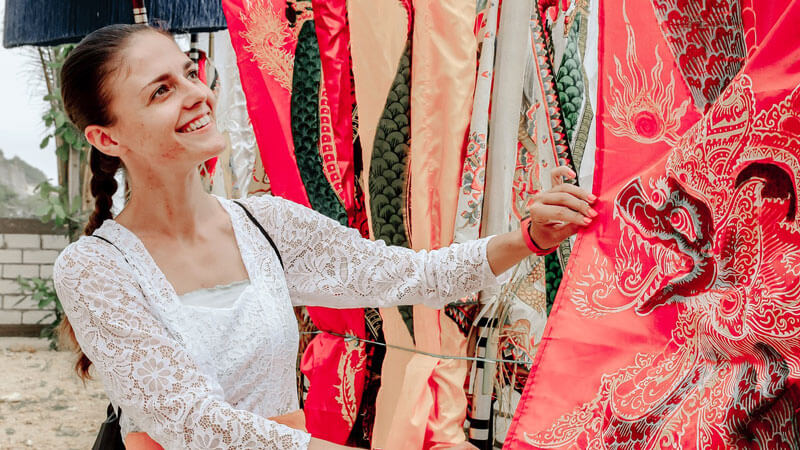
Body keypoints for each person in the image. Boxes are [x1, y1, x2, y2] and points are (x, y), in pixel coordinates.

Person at [53, 24, 597, 450]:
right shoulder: (93, 270)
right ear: (106, 136)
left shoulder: (267, 224)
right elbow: (195, 425)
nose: (197, 95)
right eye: (161, 91)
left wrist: (528, 237)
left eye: (191, 74)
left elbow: (410, 274)